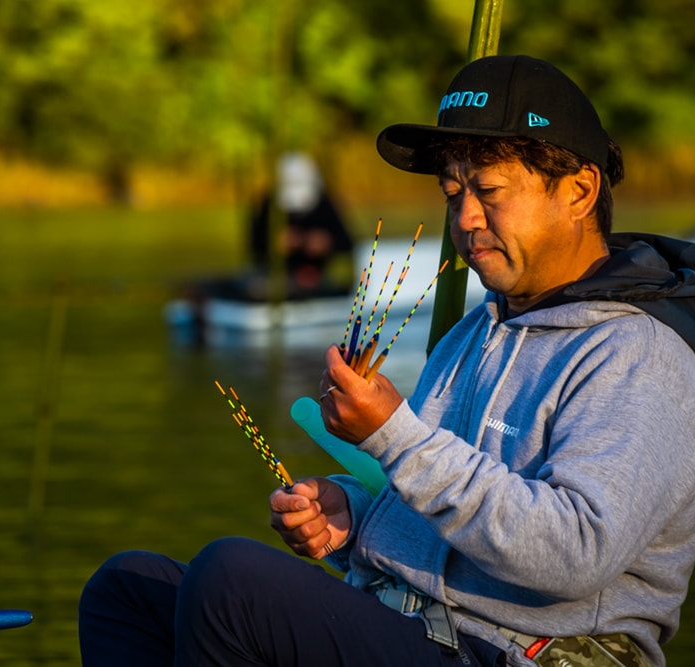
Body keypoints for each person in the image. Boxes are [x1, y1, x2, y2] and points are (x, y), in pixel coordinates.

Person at [79, 55, 695, 667]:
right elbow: (445, 502)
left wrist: (394, 437)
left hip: (514, 654)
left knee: (229, 581)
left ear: (580, 191)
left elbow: (574, 553)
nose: (466, 219)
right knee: (127, 589)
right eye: (453, 193)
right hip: (416, 629)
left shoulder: (637, 354)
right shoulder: (472, 336)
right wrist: (353, 519)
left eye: (489, 191)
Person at [247, 152, 354, 298]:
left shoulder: (325, 203)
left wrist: (329, 243)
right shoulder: (269, 205)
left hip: (319, 279)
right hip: (277, 278)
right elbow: (254, 246)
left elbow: (348, 243)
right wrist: (274, 244)